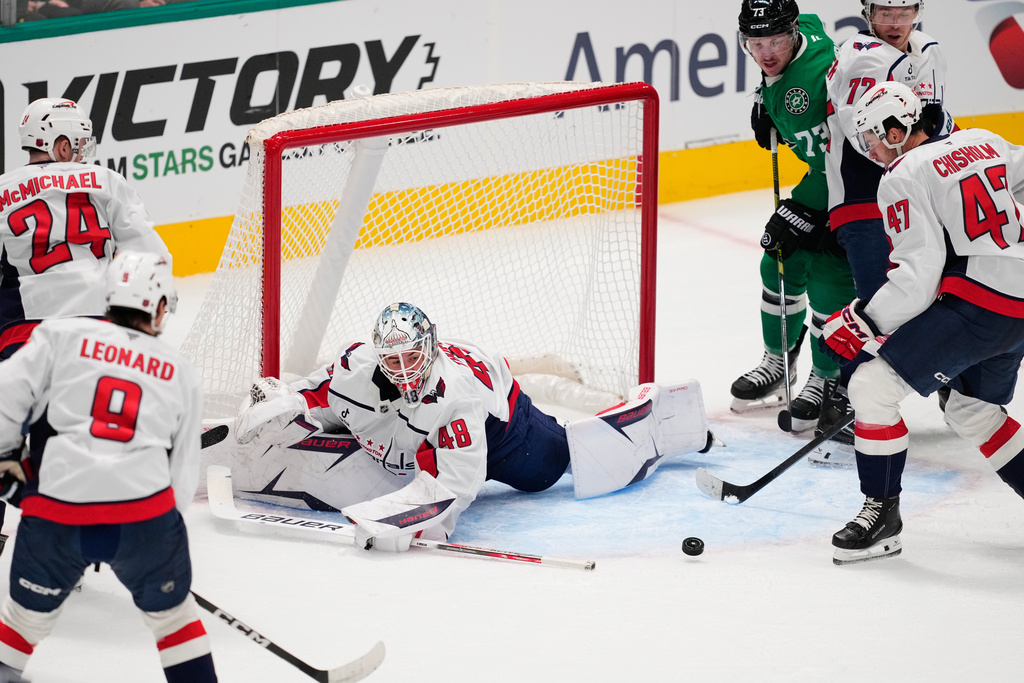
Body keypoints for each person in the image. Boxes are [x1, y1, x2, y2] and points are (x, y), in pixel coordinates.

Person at [218, 302, 714, 552]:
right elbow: (315, 393)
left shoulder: (454, 398)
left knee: (561, 463)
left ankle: (661, 426)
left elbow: (457, 486)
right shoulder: (354, 366)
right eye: (393, 359)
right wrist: (281, 403)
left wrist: (404, 525)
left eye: (412, 357)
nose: (404, 370)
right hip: (433, 419)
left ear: (429, 347)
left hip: (504, 428)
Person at [820, 82, 1024, 565]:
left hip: (984, 305)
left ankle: (881, 519)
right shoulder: (984, 140)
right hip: (1016, 302)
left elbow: (917, 277)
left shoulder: (902, 174)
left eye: (871, 138)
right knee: (972, 410)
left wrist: (861, 320)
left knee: (871, 386)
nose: (868, 150)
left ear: (897, 131)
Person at [0, 252, 215, 682]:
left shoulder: (58, 335)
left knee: (21, 625)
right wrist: (158, 539)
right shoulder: (180, 370)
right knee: (175, 623)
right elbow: (182, 476)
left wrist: (6, 460)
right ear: (158, 307)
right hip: (145, 520)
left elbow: (6, 394)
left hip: (56, 514)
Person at [0, 97, 170, 529]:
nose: (81, 152)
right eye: (77, 144)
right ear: (59, 145)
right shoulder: (107, 181)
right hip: (98, 338)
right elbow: (151, 260)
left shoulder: (1, 190)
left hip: (22, 337)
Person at [816, 0, 956, 461]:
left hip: (919, 192)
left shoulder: (928, 50)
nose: (894, 23)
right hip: (864, 199)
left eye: (903, 12)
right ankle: (844, 402)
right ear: (867, 12)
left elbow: (937, 122)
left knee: (949, 288)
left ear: (918, 11)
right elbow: (868, 140)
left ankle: (955, 381)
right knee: (883, 301)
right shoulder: (861, 56)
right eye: (884, 13)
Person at [730, 0, 856, 433]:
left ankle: (828, 376)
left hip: (852, 185)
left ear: (792, 35)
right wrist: (766, 103)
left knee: (828, 276)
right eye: (757, 43)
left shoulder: (804, 91)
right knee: (778, 260)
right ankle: (779, 360)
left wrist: (818, 213)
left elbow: (838, 158)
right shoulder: (806, 28)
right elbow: (807, 24)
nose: (767, 53)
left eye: (776, 42)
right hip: (825, 174)